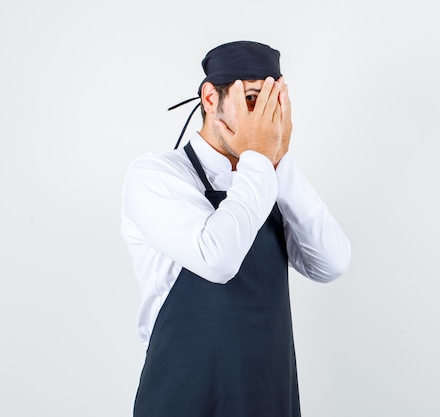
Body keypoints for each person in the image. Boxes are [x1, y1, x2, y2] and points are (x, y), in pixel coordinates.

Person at [121, 40, 351, 417]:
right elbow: (217, 259)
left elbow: (332, 263)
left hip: (268, 396)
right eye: (252, 101)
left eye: (272, 106)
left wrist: (280, 162)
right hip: (184, 398)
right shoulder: (157, 176)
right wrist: (260, 160)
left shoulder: (267, 178)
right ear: (211, 99)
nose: (262, 120)